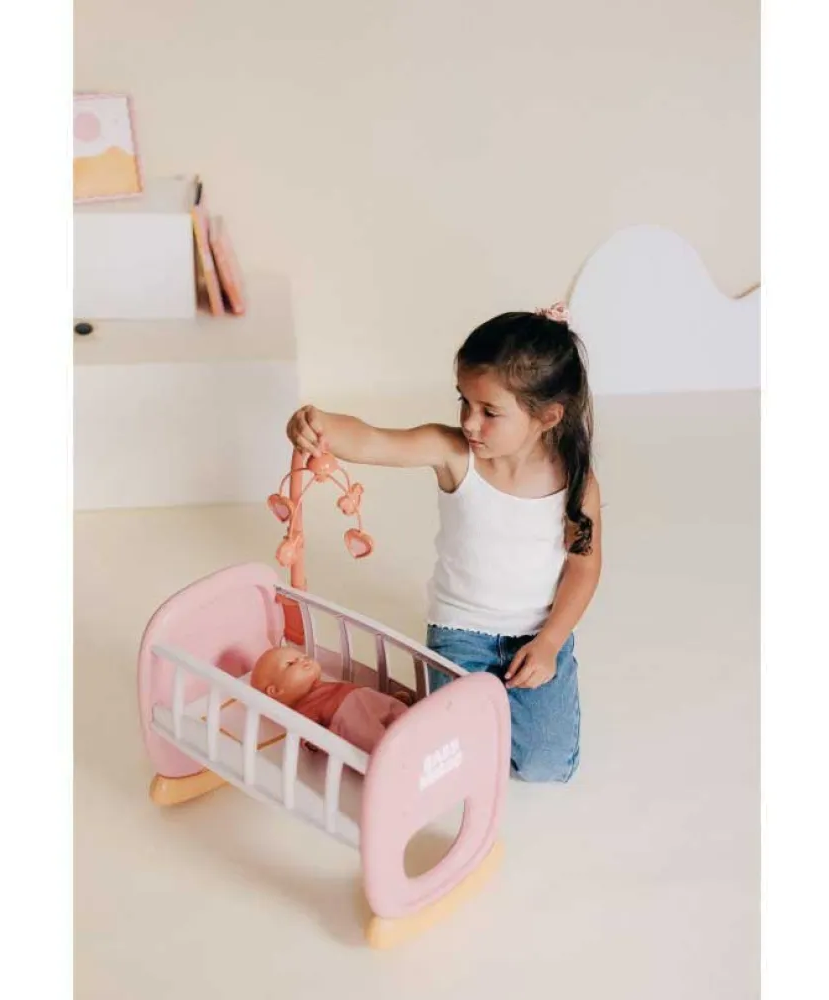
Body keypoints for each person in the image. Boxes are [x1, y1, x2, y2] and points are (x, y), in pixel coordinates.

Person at [285, 303, 602, 783]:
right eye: (464, 402)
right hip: (461, 633)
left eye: (489, 412)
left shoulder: (576, 480)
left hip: (538, 632)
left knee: (547, 765)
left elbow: (584, 566)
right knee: (452, 760)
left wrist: (550, 642)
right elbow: (373, 441)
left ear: (548, 417)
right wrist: (319, 423)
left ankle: (491, 708)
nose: (470, 423)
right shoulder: (455, 453)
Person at [238, 645, 408, 754]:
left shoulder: (325, 684)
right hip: (347, 713)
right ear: (275, 691)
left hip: (365, 697)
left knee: (399, 713)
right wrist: (313, 741)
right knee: (373, 740)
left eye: (303, 656)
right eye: (291, 663)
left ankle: (409, 719)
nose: (303, 659)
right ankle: (398, 757)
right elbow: (306, 733)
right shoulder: (303, 707)